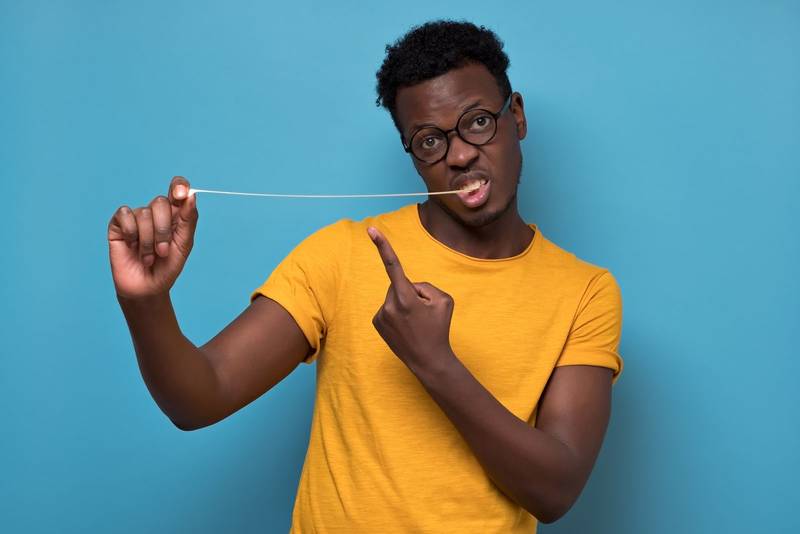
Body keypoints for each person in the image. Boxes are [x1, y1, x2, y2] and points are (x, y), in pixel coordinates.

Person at [107, 20, 623, 533]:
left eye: (478, 122)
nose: (461, 154)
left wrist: (435, 363)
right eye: (430, 141)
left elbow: (555, 491)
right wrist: (145, 302)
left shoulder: (584, 292)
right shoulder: (343, 255)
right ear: (411, 153)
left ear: (517, 115)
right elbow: (199, 399)